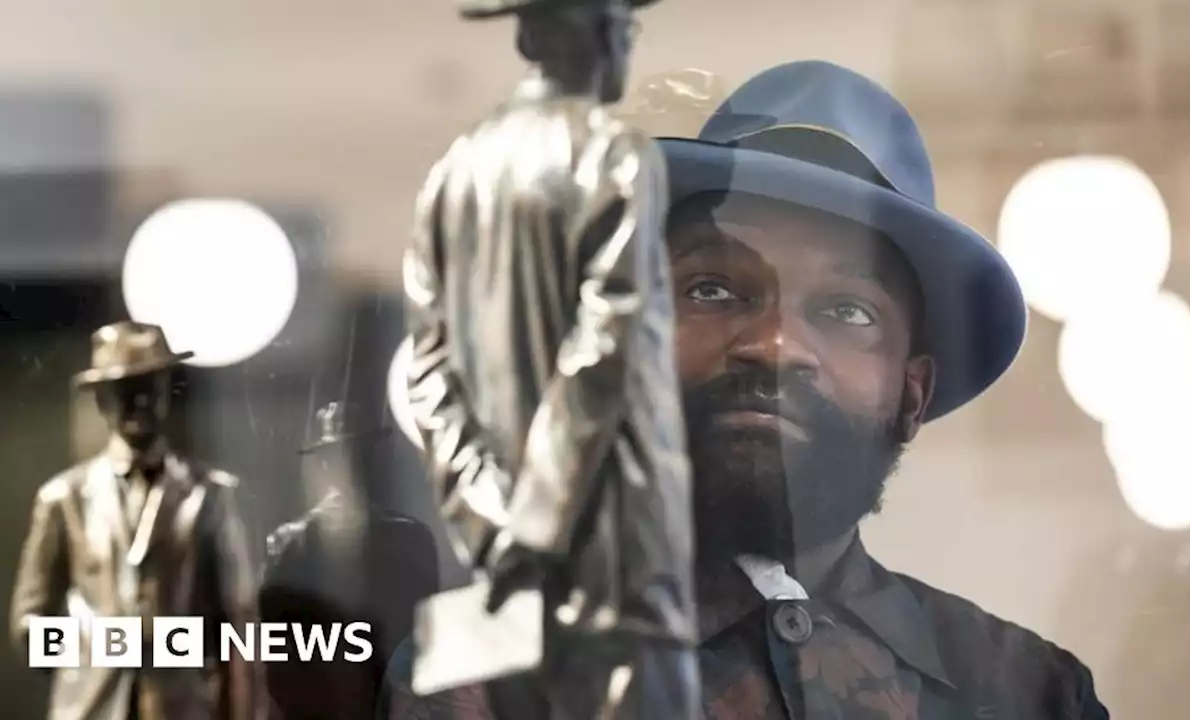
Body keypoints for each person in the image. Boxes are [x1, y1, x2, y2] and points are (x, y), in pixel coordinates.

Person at [385, 60, 1110, 718]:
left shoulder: (1029, 697)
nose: (773, 345)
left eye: (847, 311)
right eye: (713, 287)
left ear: (911, 395)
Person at [398, 0, 698, 717]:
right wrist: (536, 527)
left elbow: (427, 368)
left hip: (503, 575)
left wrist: (490, 520)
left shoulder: (454, 172)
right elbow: (606, 349)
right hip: (614, 561)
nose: (630, 37)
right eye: (626, 23)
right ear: (598, 31)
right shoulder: (614, 151)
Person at [10, 321, 258, 720]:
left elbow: (240, 626)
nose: (139, 402)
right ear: (101, 399)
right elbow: (28, 620)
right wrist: (91, 657)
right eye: (124, 391)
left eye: (149, 387)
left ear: (167, 391)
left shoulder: (211, 495)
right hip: (88, 708)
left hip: (184, 708)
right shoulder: (63, 499)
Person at [259, 400, 440, 720]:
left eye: (357, 454)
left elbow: (429, 646)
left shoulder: (412, 541)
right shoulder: (289, 545)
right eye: (341, 456)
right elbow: (276, 655)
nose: (351, 466)